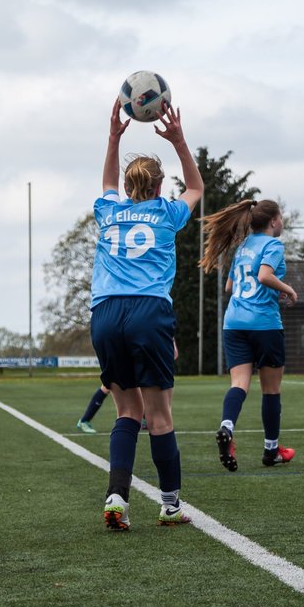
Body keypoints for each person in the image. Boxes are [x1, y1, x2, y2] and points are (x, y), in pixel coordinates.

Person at [90, 97, 203, 528]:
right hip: (148, 310)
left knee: (126, 413)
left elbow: (106, 184)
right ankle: (171, 505)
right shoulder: (166, 212)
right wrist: (178, 139)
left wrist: (113, 137)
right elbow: (195, 189)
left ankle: (116, 498)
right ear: (158, 188)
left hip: (104, 313)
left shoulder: (108, 211)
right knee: (159, 415)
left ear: (127, 186)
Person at [199, 199, 298, 471]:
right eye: (281, 217)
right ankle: (271, 451)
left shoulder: (243, 247)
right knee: (271, 390)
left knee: (238, 384)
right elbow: (265, 275)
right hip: (263, 323)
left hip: (234, 323)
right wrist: (287, 289)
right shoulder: (273, 245)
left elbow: (230, 286)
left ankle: (227, 427)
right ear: (274, 221)